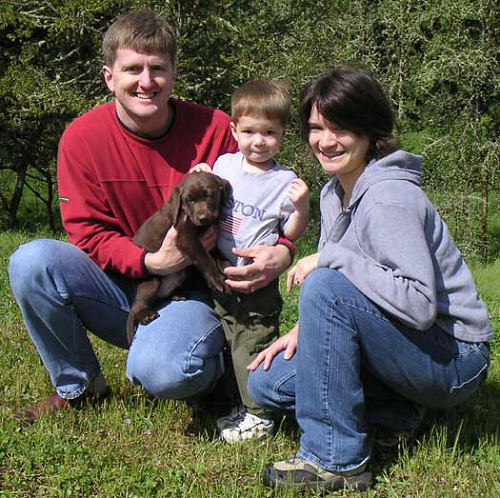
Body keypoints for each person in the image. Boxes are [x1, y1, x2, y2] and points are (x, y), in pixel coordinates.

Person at [8, 9, 293, 425]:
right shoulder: (81, 139)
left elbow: (270, 196)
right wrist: (150, 262)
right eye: (132, 69)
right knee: (31, 262)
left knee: (163, 371)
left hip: (191, 292)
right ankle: (80, 388)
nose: (146, 81)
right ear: (109, 76)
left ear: (174, 73)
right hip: (119, 279)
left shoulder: (215, 129)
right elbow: (87, 235)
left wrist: (283, 252)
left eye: (158, 68)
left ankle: (213, 375)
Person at [247, 67, 492, 492]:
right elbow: (357, 293)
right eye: (316, 128)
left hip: (453, 356)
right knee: (267, 383)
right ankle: (396, 412)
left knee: (324, 282)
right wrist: (306, 329)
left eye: (341, 128)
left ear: (370, 129)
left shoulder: (388, 197)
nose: (325, 141)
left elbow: (417, 305)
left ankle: (336, 459)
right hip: (403, 346)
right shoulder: (332, 191)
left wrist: (334, 260)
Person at [194, 80, 309, 443]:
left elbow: (291, 231)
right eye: (249, 131)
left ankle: (260, 415)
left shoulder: (284, 180)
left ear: (283, 134)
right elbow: (205, 194)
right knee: (226, 341)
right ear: (234, 130)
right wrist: (199, 171)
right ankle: (235, 405)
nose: (258, 141)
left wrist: (303, 206)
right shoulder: (225, 165)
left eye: (269, 133)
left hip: (256, 284)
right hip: (219, 272)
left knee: (251, 343)